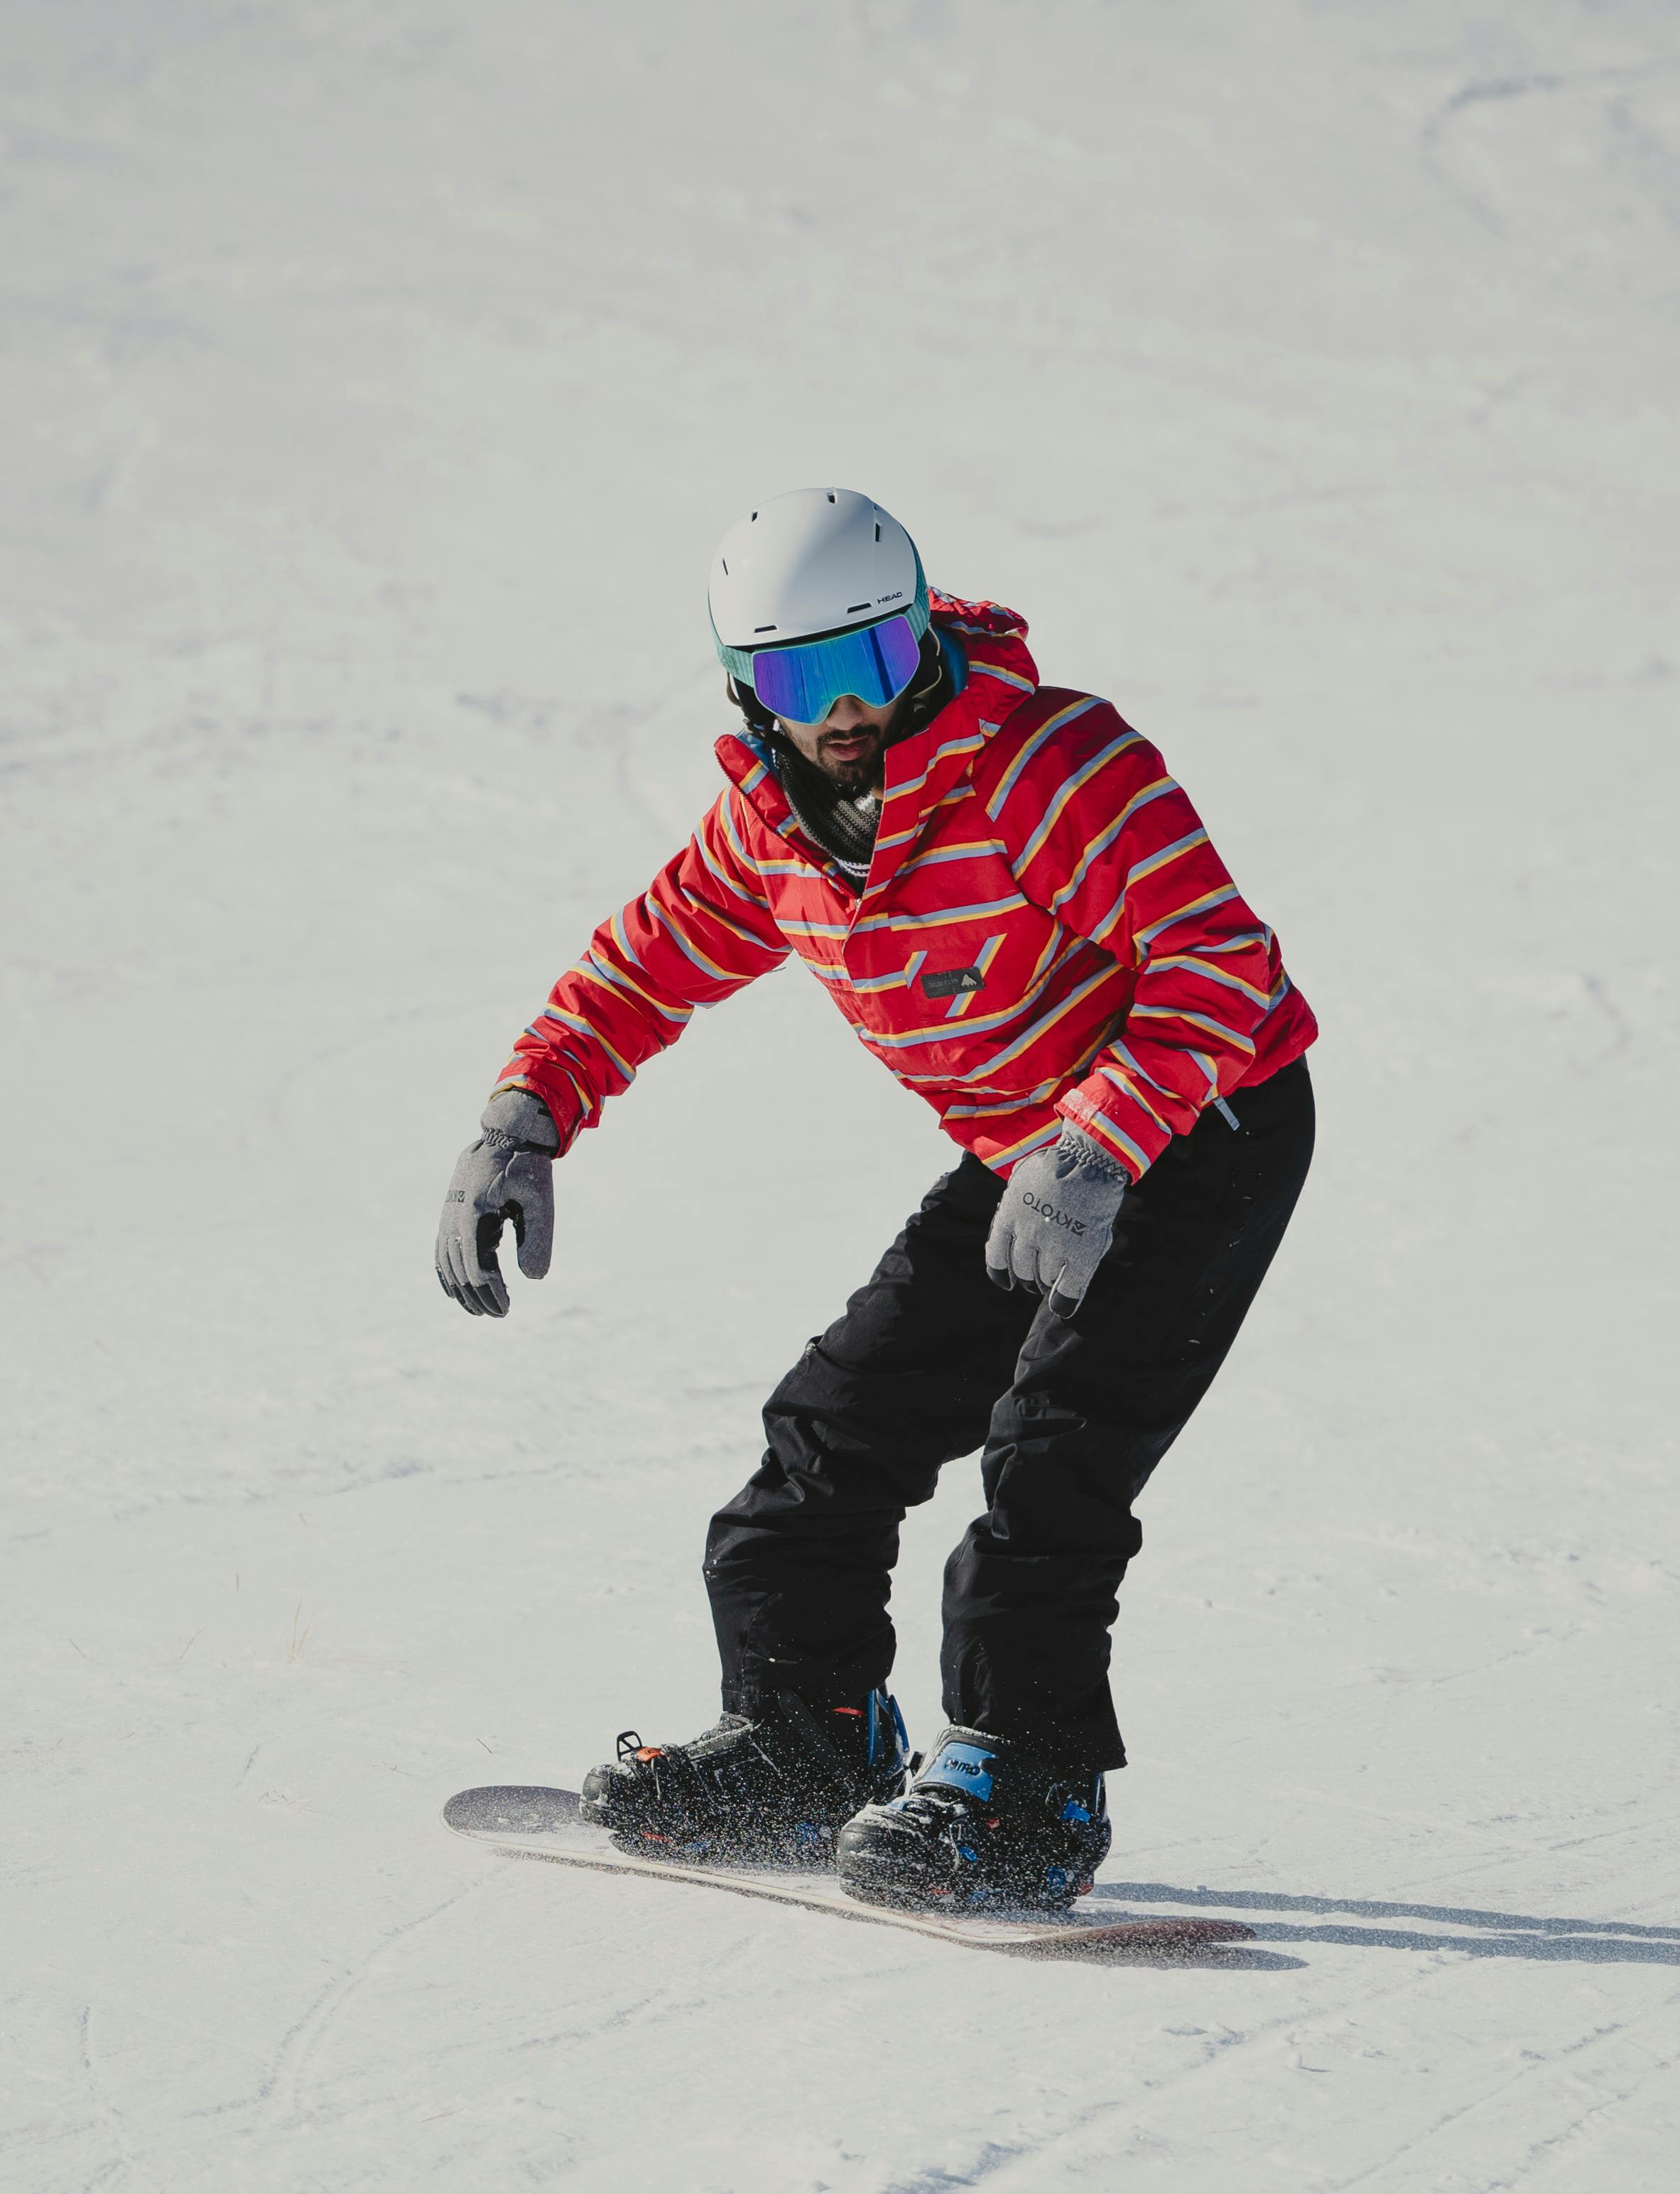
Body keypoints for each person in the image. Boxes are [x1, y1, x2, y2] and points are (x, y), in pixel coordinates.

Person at [435, 488, 1316, 1911]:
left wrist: (1096, 1144)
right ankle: (804, 1742)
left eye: (877, 656)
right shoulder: (773, 831)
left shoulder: (1053, 762)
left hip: (1204, 1123)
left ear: (920, 633)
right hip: (1030, 1146)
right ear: (745, 685)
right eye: (802, 678)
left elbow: (1220, 962)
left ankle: (1026, 1786)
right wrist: (522, 1114)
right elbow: (643, 963)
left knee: (1051, 1454)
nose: (848, 707)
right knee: (830, 1427)